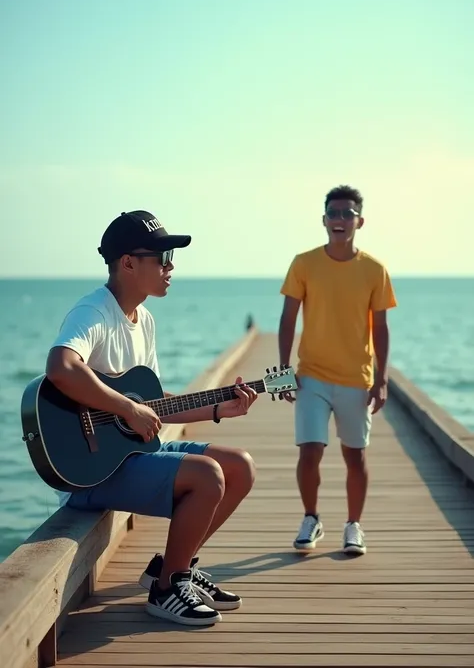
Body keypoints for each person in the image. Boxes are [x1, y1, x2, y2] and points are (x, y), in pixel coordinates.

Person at [45, 210, 258, 627]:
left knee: (240, 467)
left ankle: (175, 569)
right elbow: (61, 367)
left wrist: (220, 407)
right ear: (127, 263)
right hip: (93, 471)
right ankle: (165, 590)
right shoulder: (93, 312)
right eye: (161, 257)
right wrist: (125, 408)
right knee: (207, 475)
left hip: (134, 455)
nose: (170, 265)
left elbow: (156, 403)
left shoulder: (146, 321)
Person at [278, 186, 397, 555]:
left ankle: (354, 525)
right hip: (312, 374)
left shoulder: (374, 270)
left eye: (348, 214)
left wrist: (381, 379)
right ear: (324, 220)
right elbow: (287, 318)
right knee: (309, 450)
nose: (340, 220)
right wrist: (283, 370)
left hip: (356, 379)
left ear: (359, 221)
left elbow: (380, 327)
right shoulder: (304, 263)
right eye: (334, 213)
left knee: (354, 455)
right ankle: (311, 518)